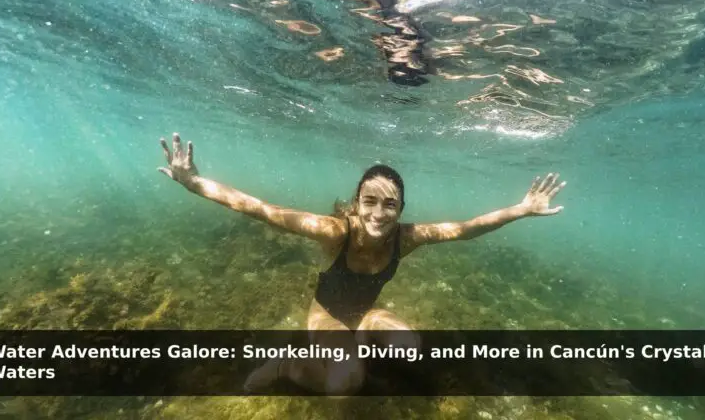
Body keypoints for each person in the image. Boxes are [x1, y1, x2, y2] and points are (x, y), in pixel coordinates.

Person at [158, 132, 566, 395]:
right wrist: (194, 182)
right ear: (356, 205)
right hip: (327, 317)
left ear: (401, 209)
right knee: (346, 384)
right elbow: (263, 210)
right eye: (369, 202)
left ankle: (355, 350)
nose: (378, 213)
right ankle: (288, 363)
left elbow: (466, 228)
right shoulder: (335, 232)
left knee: (410, 349)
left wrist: (522, 209)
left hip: (366, 316)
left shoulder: (406, 239)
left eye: (390, 205)